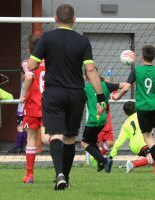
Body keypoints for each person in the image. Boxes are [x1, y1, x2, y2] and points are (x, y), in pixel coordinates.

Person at [27, 4, 106, 190]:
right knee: (70, 137)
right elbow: (91, 70)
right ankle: (66, 178)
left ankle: (59, 174)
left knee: (55, 135)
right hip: (76, 94)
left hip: (54, 93)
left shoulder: (46, 38)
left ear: (55, 19)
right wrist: (100, 95)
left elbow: (31, 65)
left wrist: (36, 61)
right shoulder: (83, 41)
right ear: (74, 19)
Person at [114, 45, 155, 173]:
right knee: (150, 136)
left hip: (142, 107)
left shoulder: (136, 70)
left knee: (147, 137)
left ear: (142, 56)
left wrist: (118, 96)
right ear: (154, 57)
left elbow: (127, 87)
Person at [81, 69, 122, 173]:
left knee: (84, 143)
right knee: (92, 141)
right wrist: (118, 96)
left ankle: (104, 160)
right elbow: (125, 85)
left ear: (86, 76)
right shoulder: (106, 85)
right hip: (103, 120)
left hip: (93, 120)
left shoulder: (85, 87)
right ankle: (100, 162)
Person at [21, 34, 46, 184]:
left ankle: (29, 175)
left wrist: (24, 94)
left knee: (31, 138)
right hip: (50, 105)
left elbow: (29, 77)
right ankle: (60, 172)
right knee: (49, 137)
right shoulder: (51, 62)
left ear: (29, 49)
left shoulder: (28, 62)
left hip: (32, 105)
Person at [108, 101, 154, 173]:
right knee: (152, 158)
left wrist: (110, 156)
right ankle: (132, 164)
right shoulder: (141, 115)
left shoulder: (125, 124)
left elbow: (118, 142)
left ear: (125, 112)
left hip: (134, 146)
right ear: (136, 108)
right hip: (143, 142)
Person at [8, 69, 27, 154]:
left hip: (22, 108)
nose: (21, 77)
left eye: (22, 74)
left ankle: (18, 146)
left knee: (20, 127)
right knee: (25, 128)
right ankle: (22, 147)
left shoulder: (26, 83)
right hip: (26, 108)